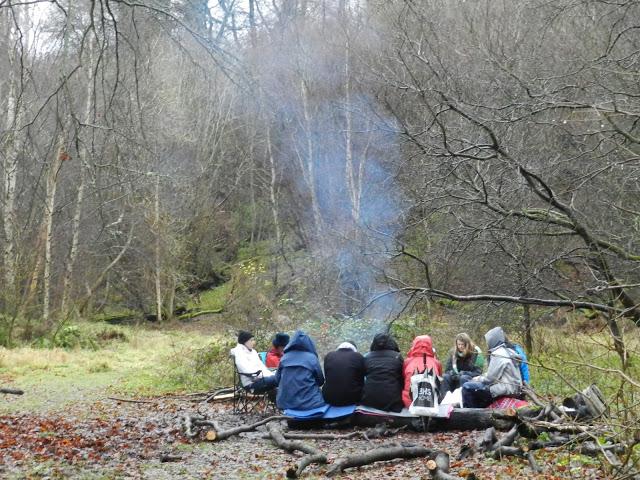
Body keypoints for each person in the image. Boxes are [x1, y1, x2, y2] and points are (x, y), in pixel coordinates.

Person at [461, 327, 523, 408]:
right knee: (473, 384)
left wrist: (478, 379)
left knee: (467, 387)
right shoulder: (508, 351)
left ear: (492, 340)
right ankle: (480, 408)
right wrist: (480, 377)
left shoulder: (498, 354)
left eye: (488, 341)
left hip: (505, 389)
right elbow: (496, 374)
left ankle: (472, 414)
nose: (487, 344)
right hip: (512, 388)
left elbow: (490, 379)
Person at [275, 330, 326, 411]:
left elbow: (277, 380)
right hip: (311, 404)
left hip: (286, 403)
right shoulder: (312, 358)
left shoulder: (284, 358)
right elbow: (320, 381)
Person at [361, 333, 404, 412]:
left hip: (369, 399)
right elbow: (402, 378)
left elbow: (361, 378)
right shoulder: (397, 356)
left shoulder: (366, 357)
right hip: (392, 401)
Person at [439, 333, 485, 400]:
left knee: (463, 378)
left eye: (462, 344)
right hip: (455, 378)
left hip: (469, 378)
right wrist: (452, 373)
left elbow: (478, 372)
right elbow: (447, 370)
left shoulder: (475, 353)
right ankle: (445, 400)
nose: (460, 346)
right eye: (459, 344)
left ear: (467, 344)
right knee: (445, 377)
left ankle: (463, 401)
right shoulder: (453, 353)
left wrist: (464, 373)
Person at [402, 335, 442, 408]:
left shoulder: (407, 362)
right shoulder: (437, 363)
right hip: (431, 402)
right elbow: (439, 381)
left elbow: (403, 379)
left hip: (410, 403)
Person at [322, 341, 366, 406]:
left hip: (329, 398)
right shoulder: (358, 356)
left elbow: (327, 377)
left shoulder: (329, 356)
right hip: (352, 399)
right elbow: (361, 380)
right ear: (354, 349)